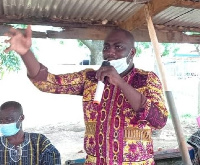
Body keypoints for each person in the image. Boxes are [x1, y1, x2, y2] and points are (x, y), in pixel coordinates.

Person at [4, 26, 168, 165]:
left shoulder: (146, 79)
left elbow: (159, 120)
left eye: (118, 47)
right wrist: (25, 53)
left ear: (132, 52)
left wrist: (121, 83)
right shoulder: (91, 78)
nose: (110, 52)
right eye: (106, 47)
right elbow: (48, 83)